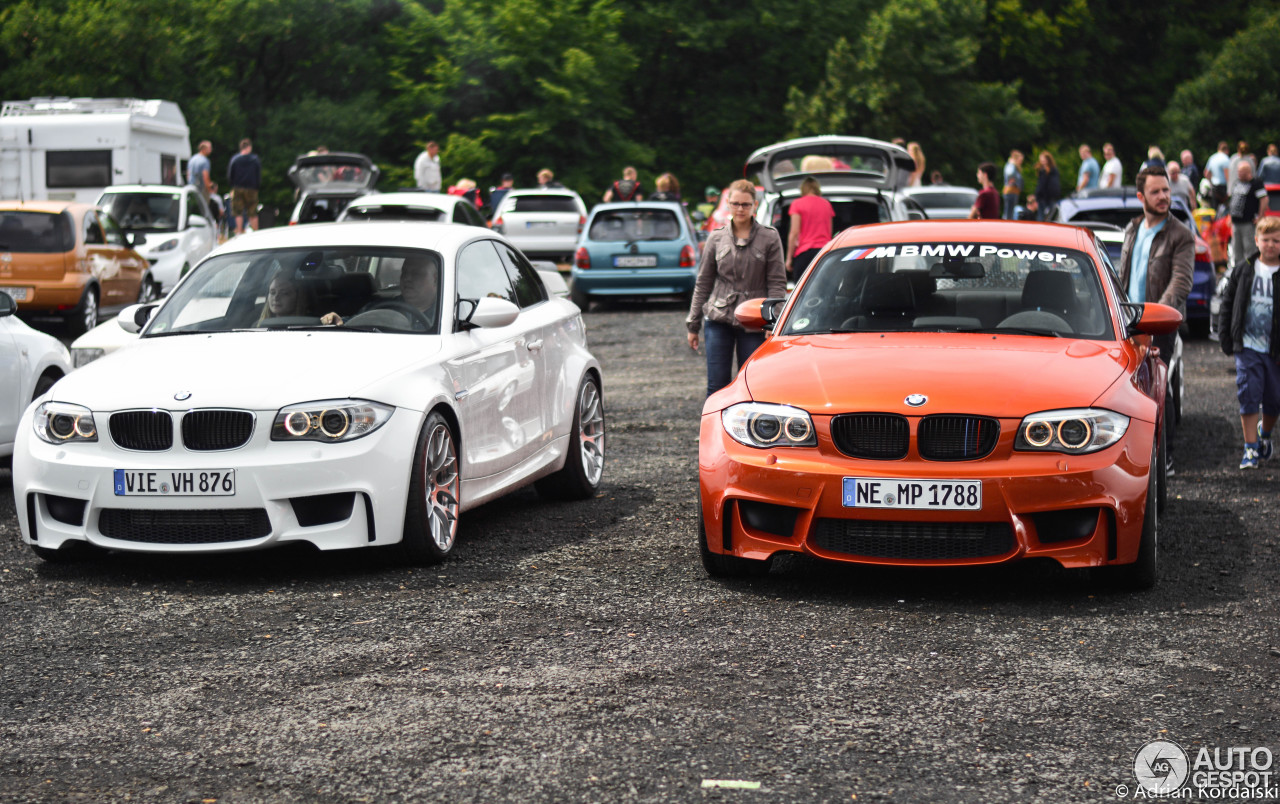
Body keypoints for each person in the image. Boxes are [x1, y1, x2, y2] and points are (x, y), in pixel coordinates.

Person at [1118, 165, 1195, 470]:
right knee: (1126, 393)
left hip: (1158, 323)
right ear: (1141, 196)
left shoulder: (1181, 234)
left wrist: (1155, 317)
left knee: (1158, 392)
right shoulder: (1132, 227)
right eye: (1156, 192)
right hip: (1126, 323)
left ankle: (1165, 457)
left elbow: (1181, 282)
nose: (1164, 196)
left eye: (1167, 190)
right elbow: (1122, 276)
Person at [685, 179, 786, 397]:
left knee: (751, 384)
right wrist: (693, 324)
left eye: (746, 204)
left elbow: (777, 283)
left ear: (755, 206)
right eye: (736, 204)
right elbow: (703, 282)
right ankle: (714, 430)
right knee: (717, 384)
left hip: (754, 321)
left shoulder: (770, 237)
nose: (740, 209)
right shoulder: (716, 237)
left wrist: (773, 321)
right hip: (718, 318)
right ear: (728, 204)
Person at [1217, 216, 1280, 468]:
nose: (1271, 245)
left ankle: (1265, 435)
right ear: (1256, 241)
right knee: (1249, 394)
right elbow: (1227, 304)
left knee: (1274, 399)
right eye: (1266, 240)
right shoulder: (1243, 270)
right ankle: (1250, 448)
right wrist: (1226, 336)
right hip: (1247, 346)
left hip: (1275, 349)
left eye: (1276, 240)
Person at [321, 255, 439, 330]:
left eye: (416, 273)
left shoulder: (448, 314)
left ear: (435, 279)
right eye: (404, 272)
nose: (407, 278)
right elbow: (356, 321)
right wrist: (338, 321)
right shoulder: (384, 307)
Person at [785, 176, 834, 282]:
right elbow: (829, 232)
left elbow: (794, 232)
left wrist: (789, 258)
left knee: (801, 292)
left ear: (803, 189)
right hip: (824, 253)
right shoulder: (826, 204)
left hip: (804, 254)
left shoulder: (797, 204)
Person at [1227, 160, 1270, 268]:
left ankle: (1251, 271)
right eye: (1238, 172)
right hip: (1236, 222)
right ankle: (1238, 272)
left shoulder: (1256, 183)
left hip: (1248, 222)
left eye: (1241, 172)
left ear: (1248, 172)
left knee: (1249, 249)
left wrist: (1260, 216)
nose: (1238, 174)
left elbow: (1264, 199)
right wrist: (1229, 216)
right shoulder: (1237, 182)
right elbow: (1233, 200)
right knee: (1236, 250)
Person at [227, 138, 261, 235]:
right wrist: (257, 187)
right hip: (252, 188)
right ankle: (256, 233)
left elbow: (230, 175)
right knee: (252, 212)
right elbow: (258, 175)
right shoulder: (255, 160)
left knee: (238, 211)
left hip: (238, 188)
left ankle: (239, 231)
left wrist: (232, 186)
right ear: (249, 147)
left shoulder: (235, 159)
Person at [1034, 151, 1060, 220]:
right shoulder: (1052, 170)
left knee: (1044, 215)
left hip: (1047, 195)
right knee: (1049, 215)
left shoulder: (1047, 171)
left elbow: (1042, 185)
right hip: (1047, 195)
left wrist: (1037, 195)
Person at [1206, 141, 1232, 207]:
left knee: (1215, 209)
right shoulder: (1225, 159)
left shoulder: (1212, 158)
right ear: (1227, 150)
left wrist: (1210, 183)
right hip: (1223, 187)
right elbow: (1227, 176)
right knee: (1226, 208)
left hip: (1214, 187)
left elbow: (1206, 174)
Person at [1002, 149, 1024, 219]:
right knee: (1008, 213)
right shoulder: (1011, 166)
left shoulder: (1015, 167)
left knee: (1010, 212)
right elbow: (1010, 173)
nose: (1021, 162)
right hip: (1010, 191)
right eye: (1020, 160)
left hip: (1014, 192)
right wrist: (1012, 163)